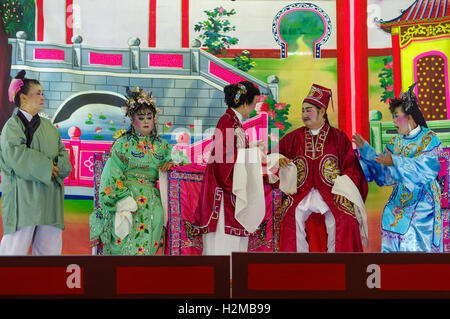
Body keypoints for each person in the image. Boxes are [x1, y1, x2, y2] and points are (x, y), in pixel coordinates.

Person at [89, 86, 190, 255]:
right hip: (128, 198)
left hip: (152, 201)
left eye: (149, 117)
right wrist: (123, 199)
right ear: (131, 119)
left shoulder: (162, 146)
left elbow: (185, 163)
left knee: (150, 239)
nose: (145, 121)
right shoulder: (123, 144)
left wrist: (172, 163)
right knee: (124, 246)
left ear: (154, 119)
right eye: (141, 117)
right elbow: (112, 174)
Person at [275, 84, 368, 252]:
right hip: (300, 192)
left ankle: (340, 267)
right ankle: (296, 267)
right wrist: (279, 159)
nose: (304, 115)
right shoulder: (294, 138)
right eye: (303, 110)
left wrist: (343, 190)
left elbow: (351, 168)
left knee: (346, 220)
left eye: (308, 110)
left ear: (322, 111)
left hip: (332, 192)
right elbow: (275, 154)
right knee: (288, 218)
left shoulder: (338, 137)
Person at [352, 83, 443, 252]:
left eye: (396, 116)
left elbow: (427, 170)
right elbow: (385, 176)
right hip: (400, 197)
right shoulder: (396, 142)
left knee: (412, 225)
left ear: (409, 117)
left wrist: (395, 162)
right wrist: (367, 151)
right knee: (388, 214)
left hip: (424, 199)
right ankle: (392, 273)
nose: (393, 121)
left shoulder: (429, 138)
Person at [0, 70, 72, 255]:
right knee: (14, 250)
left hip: (50, 198)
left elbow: (63, 154)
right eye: (38, 93)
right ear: (23, 98)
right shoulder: (12, 127)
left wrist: (59, 167)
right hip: (23, 197)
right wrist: (48, 167)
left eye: (43, 93)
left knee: (50, 251)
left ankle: (47, 284)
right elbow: (16, 155)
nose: (42, 97)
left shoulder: (49, 127)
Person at [191, 80, 267, 255]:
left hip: (230, 194)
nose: (255, 108)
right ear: (245, 102)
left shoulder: (233, 123)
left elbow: (233, 154)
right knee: (223, 250)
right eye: (254, 103)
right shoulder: (227, 123)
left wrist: (252, 149)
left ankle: (231, 282)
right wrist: (252, 154)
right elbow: (223, 162)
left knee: (234, 249)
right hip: (223, 197)